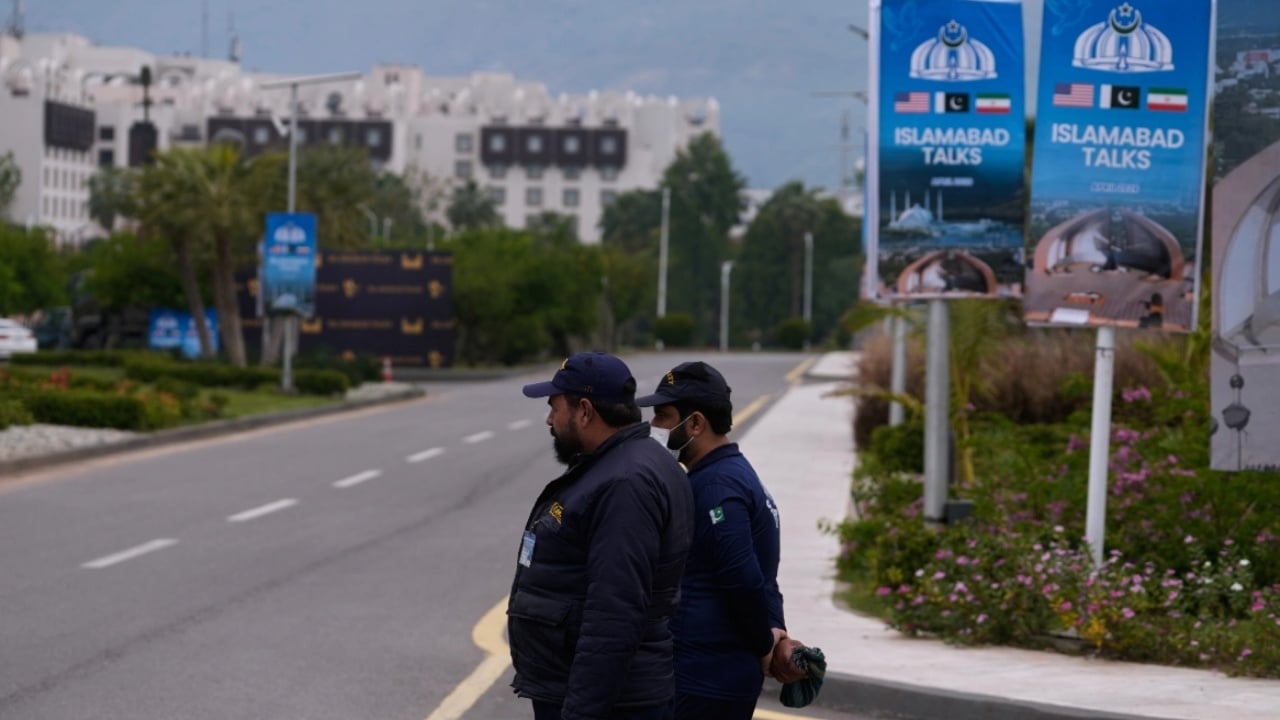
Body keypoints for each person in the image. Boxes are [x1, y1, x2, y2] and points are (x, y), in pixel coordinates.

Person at [510, 352, 694, 720]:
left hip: (610, 704)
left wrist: (581, 713)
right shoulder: (623, 466)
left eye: (555, 407)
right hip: (598, 694)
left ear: (585, 411)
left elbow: (614, 613)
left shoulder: (625, 484)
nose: (549, 419)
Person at [637, 361, 803, 719]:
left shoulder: (716, 487)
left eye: (663, 416)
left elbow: (742, 576)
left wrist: (763, 643)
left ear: (695, 423)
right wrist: (775, 630)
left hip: (704, 677)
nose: (654, 427)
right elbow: (764, 577)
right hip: (716, 673)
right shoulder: (735, 474)